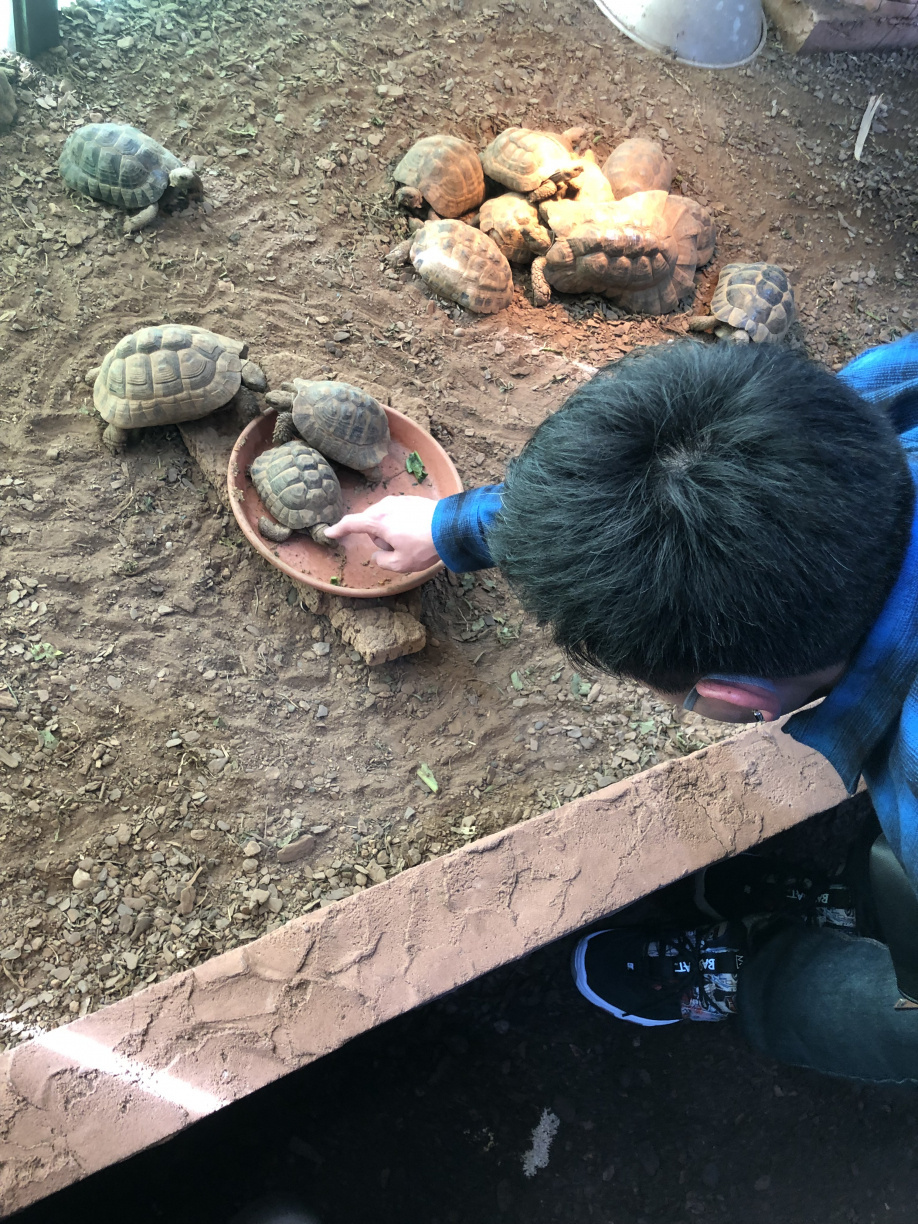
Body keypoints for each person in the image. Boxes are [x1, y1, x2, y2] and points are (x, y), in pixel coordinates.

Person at [325, 335, 918, 1085]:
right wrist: (461, 525)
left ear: (734, 699)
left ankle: (766, 975)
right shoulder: (863, 408)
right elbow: (710, 470)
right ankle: (859, 899)